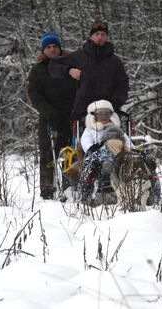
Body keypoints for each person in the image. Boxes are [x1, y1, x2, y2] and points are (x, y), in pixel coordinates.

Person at [27, 32, 76, 199]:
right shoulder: (38, 70)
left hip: (71, 118)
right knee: (48, 155)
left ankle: (69, 190)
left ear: (60, 48)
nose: (52, 49)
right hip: (49, 119)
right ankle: (47, 192)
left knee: (71, 154)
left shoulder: (70, 66)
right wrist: (50, 113)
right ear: (43, 50)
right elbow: (34, 95)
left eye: (55, 46)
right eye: (48, 47)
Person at [48, 21, 129, 123]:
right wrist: (69, 70)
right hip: (83, 113)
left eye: (103, 34)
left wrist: (113, 103)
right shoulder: (78, 57)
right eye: (96, 34)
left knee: (115, 138)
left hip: (109, 113)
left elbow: (123, 85)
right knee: (85, 139)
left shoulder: (115, 62)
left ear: (106, 37)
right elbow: (53, 66)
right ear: (91, 36)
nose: (100, 37)